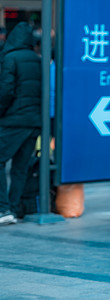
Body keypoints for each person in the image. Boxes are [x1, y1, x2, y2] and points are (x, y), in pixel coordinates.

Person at [0, 22, 41, 225]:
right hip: (34, 122)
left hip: (13, 121)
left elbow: (6, 90)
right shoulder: (37, 59)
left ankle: (3, 208)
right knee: (20, 167)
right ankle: (13, 209)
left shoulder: (10, 58)